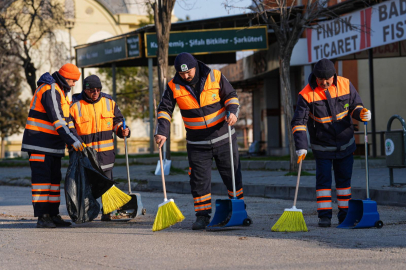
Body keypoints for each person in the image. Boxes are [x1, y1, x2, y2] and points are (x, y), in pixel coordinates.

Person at [155, 52, 246, 230]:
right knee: (199, 180)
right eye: (182, 74)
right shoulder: (173, 86)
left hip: (223, 137)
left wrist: (233, 111)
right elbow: (164, 110)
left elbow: (231, 96)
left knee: (232, 175)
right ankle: (202, 216)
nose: (186, 76)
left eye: (188, 72)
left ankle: (239, 210)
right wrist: (162, 132)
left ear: (195, 66)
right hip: (197, 144)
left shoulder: (215, 76)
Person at [291, 58, 371, 227]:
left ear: (334, 76)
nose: (325, 83)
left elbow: (355, 106)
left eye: (328, 79)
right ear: (315, 77)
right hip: (322, 145)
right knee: (323, 182)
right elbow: (298, 122)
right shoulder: (305, 95)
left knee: (344, 183)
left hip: (345, 143)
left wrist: (362, 113)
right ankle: (324, 216)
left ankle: (345, 215)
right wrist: (301, 146)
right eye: (322, 80)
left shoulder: (345, 84)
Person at [22, 63, 85, 228]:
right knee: (42, 181)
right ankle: (43, 217)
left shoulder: (61, 93)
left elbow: (68, 122)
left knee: (54, 181)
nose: (74, 84)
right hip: (39, 144)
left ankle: (53, 214)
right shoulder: (50, 89)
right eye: (73, 81)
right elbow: (57, 120)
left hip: (52, 146)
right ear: (66, 77)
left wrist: (76, 140)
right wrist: (72, 141)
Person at [69, 75, 130, 221]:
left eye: (98, 89)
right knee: (86, 187)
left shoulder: (109, 102)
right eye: (91, 90)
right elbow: (70, 130)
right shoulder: (74, 106)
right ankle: (84, 213)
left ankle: (108, 212)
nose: (95, 92)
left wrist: (122, 131)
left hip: (105, 155)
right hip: (86, 157)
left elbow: (117, 122)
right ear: (85, 90)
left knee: (107, 186)